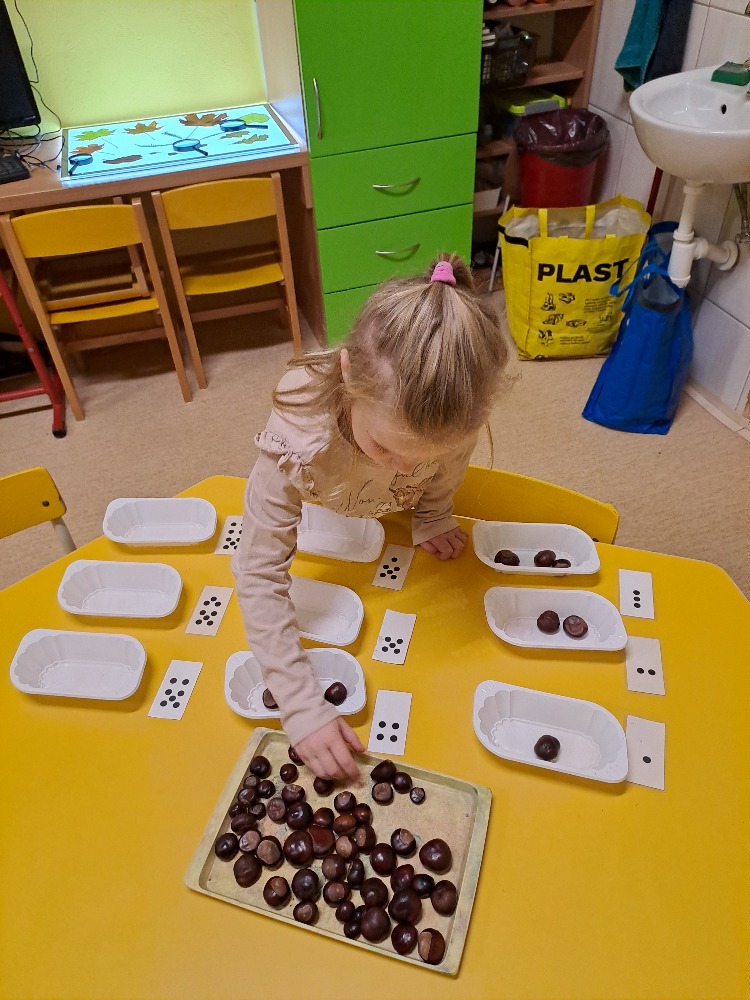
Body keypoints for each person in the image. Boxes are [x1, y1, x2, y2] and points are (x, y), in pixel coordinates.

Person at [232, 253, 511, 780]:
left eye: (425, 454)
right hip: (330, 499)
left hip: (388, 524)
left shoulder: (455, 421)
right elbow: (257, 569)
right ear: (347, 375)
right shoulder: (299, 433)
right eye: (385, 447)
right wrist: (299, 703)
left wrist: (433, 514)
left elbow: (448, 468)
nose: (405, 467)